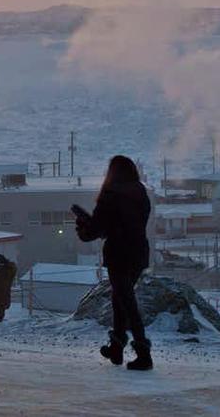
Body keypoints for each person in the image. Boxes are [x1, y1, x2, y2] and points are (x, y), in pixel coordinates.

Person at [74, 155, 153, 371]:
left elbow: (95, 230)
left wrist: (83, 227)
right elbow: (128, 223)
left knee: (126, 301)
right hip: (138, 252)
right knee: (120, 298)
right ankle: (116, 348)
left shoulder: (110, 194)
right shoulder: (140, 191)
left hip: (119, 253)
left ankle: (143, 353)